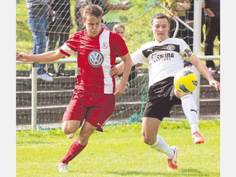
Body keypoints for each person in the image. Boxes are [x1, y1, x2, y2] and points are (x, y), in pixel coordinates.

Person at [17, 4, 133, 173]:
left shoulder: (113, 38)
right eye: (90, 24)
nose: (93, 28)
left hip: (105, 96)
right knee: (67, 129)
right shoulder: (78, 38)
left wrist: (122, 83)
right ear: (83, 22)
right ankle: (78, 119)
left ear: (102, 21)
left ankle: (64, 162)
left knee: (85, 133)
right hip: (82, 92)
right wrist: (29, 57)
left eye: (97, 23)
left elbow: (128, 61)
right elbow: (55, 54)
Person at [112, 13, 220, 169]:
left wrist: (210, 79)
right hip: (155, 91)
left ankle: (195, 130)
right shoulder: (146, 48)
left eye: (164, 26)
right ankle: (171, 153)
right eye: (157, 26)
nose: (160, 29)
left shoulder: (178, 43)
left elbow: (195, 61)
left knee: (183, 87)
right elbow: (126, 64)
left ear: (169, 27)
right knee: (148, 138)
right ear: (152, 28)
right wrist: (112, 71)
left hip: (174, 81)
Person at [26, 0, 53, 81]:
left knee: (37, 44)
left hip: (43, 13)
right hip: (35, 13)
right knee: (41, 43)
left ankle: (34, 70)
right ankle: (39, 71)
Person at [46, 0, 73, 76]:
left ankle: (61, 70)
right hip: (55, 16)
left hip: (66, 16)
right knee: (52, 43)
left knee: (64, 45)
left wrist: (69, 18)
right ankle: (50, 69)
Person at [204, 0, 220, 71]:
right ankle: (209, 65)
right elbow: (203, 4)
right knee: (209, 42)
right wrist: (210, 14)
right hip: (211, 18)